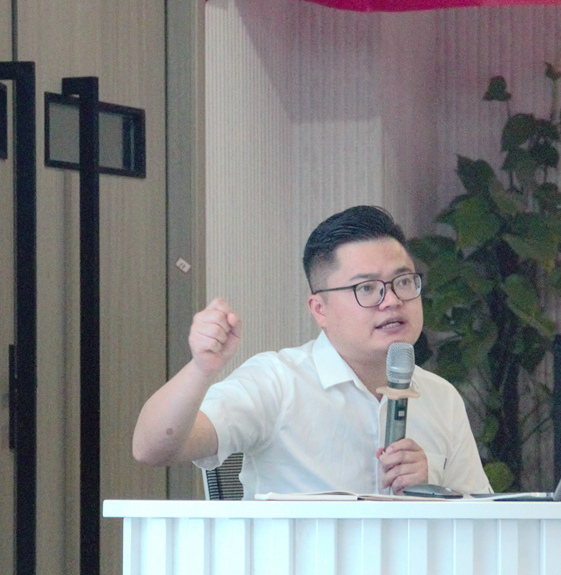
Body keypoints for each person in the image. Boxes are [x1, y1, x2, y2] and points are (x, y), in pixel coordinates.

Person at [132, 205, 491, 498]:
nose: (393, 300)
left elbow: (485, 520)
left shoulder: (441, 397)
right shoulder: (278, 381)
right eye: (367, 288)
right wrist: (200, 368)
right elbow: (152, 448)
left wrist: (435, 491)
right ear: (320, 309)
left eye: (403, 281)